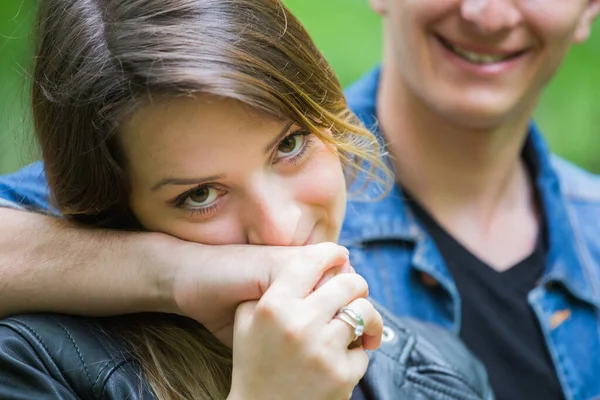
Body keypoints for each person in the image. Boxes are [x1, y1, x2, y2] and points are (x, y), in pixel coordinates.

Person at [1, 0, 599, 398]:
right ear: (114, 214)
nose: (283, 232)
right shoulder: (33, 363)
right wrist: (176, 273)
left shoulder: (437, 368)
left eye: (289, 146)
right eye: (200, 195)